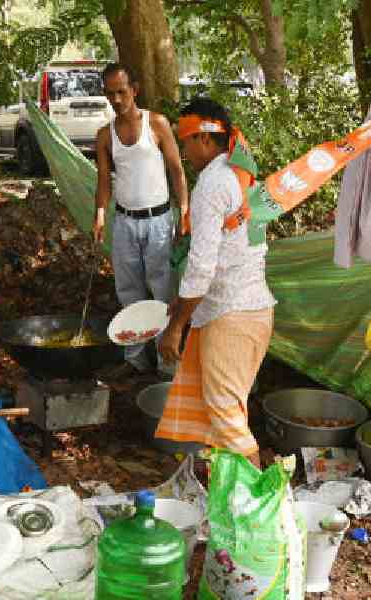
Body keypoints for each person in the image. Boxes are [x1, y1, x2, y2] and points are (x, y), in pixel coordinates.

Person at [154, 98, 276, 468]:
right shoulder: (238, 173)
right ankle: (232, 501)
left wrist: (176, 328)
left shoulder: (211, 184)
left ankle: (259, 507)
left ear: (205, 140)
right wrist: (182, 302)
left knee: (226, 418)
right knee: (225, 413)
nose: (182, 151)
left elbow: (202, 266)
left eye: (185, 141)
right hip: (250, 309)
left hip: (232, 314)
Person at [94, 63, 189, 379]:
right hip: (124, 222)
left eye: (122, 92)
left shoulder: (157, 124)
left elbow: (176, 169)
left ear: (134, 89)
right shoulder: (105, 135)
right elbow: (104, 181)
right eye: (111, 94)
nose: (117, 99)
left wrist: (184, 208)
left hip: (159, 219)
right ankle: (135, 358)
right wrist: (100, 213)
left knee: (162, 289)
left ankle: (165, 361)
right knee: (128, 291)